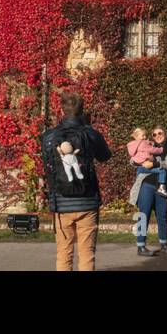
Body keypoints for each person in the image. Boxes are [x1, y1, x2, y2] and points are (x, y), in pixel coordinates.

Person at [39, 92, 111, 271]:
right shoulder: (90, 134)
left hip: (61, 203)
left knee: (64, 254)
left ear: (62, 110)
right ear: (82, 110)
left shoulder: (49, 137)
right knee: (87, 254)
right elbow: (105, 156)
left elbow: (48, 167)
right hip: (87, 201)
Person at [131, 124, 167, 256]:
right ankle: (141, 246)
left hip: (162, 188)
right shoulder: (147, 146)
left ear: (165, 134)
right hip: (146, 185)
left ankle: (164, 244)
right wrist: (136, 162)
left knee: (162, 216)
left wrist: (154, 164)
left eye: (160, 133)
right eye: (154, 134)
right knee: (143, 216)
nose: (157, 136)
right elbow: (132, 159)